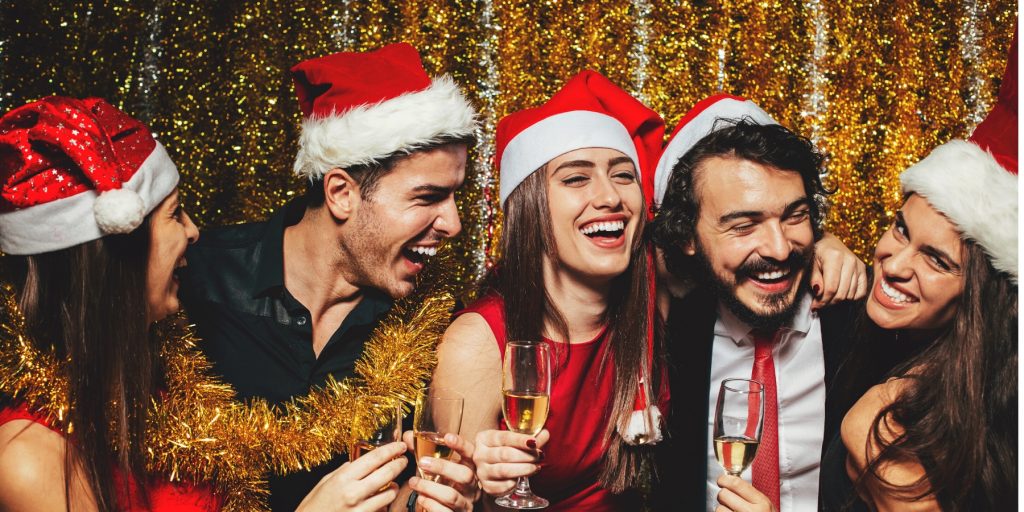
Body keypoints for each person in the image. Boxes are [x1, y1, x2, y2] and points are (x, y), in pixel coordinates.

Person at [178, 43, 481, 511]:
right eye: (427, 197)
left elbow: (408, 492)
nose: (454, 223)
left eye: (455, 196)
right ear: (341, 193)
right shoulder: (191, 283)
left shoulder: (432, 322)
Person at [434, 70, 669, 511]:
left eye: (623, 175)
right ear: (529, 209)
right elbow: (448, 500)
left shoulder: (654, 300)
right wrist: (488, 494)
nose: (610, 197)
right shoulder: (479, 343)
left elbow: (730, 238)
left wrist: (816, 246)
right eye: (576, 179)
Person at [650, 95, 867, 512]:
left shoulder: (863, 318)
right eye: (744, 225)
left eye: (794, 216)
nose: (780, 248)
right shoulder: (667, 331)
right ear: (687, 238)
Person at [0, 96, 212, 510]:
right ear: (118, 258)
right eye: (175, 213)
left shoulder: (158, 392)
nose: (193, 230)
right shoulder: (30, 460)